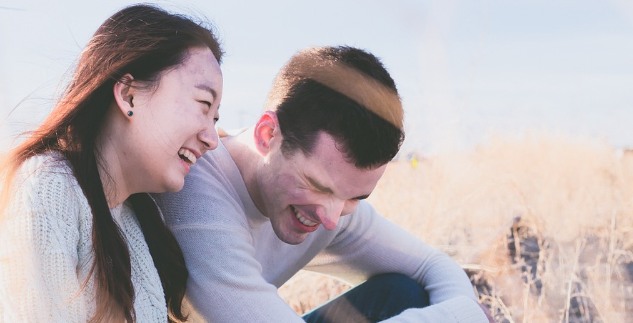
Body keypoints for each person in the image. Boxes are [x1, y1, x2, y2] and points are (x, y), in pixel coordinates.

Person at [153, 46, 494, 322]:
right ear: (267, 134)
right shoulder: (195, 187)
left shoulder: (333, 207)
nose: (331, 219)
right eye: (319, 186)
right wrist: (459, 315)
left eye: (354, 198)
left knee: (403, 292)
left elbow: (433, 265)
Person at [0, 4, 223, 323]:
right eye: (203, 105)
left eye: (216, 117)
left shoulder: (130, 216)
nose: (212, 138)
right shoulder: (43, 191)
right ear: (128, 95)